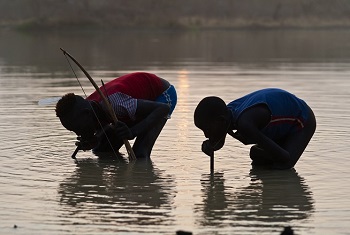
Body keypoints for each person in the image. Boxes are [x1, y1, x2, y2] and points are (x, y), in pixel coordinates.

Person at [55, 72, 177, 158]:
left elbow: (162, 109)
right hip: (132, 104)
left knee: (139, 154)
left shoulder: (114, 104)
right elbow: (104, 123)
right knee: (102, 150)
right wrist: (95, 139)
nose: (78, 134)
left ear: (86, 115)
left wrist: (132, 132)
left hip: (161, 97)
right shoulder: (90, 107)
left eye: (78, 129)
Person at [194, 88, 316, 169]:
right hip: (280, 125)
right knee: (258, 156)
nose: (206, 135)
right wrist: (212, 146)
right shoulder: (227, 114)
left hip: (302, 119)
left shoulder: (245, 124)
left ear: (221, 121)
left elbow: (284, 157)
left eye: (208, 130)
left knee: (282, 165)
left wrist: (239, 203)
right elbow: (220, 140)